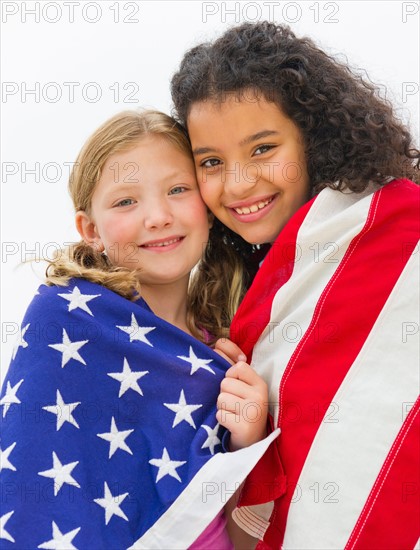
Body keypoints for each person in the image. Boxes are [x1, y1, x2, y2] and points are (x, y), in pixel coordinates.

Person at [171, 21, 420, 549]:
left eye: (263, 149)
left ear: (315, 137)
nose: (238, 184)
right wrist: (248, 437)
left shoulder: (404, 240)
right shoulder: (220, 306)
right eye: (211, 162)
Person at [0, 110, 274, 549]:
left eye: (178, 189)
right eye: (126, 201)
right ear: (90, 229)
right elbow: (28, 500)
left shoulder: (228, 344)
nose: (158, 216)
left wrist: (247, 440)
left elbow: (246, 536)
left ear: (206, 203)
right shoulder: (64, 321)